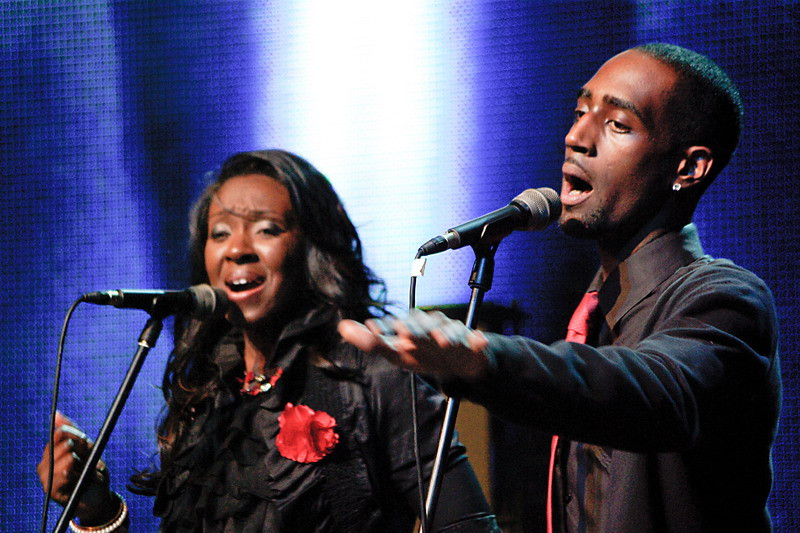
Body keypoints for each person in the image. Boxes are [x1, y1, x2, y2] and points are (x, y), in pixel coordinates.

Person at [339, 43, 781, 532]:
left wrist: (484, 358)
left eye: (617, 124)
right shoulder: (593, 311)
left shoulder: (727, 298)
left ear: (687, 168)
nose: (576, 137)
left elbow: (654, 391)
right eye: (580, 112)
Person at [38, 150, 501, 532]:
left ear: (310, 248)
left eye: (266, 229)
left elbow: (467, 526)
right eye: (220, 233)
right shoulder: (204, 396)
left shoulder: (375, 377)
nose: (238, 248)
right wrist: (95, 509)